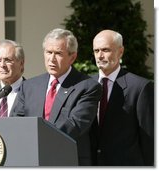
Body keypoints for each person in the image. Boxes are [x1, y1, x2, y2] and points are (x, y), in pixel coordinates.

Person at [12, 28, 102, 166]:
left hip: (67, 161)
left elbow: (75, 124)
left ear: (72, 57)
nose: (52, 59)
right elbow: (17, 121)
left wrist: (38, 141)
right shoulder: (29, 86)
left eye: (58, 53)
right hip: (32, 162)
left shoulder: (88, 86)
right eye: (48, 52)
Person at [90, 29, 154, 166]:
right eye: (96, 51)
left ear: (120, 52)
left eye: (105, 50)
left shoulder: (140, 87)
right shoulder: (86, 85)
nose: (100, 56)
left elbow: (149, 140)